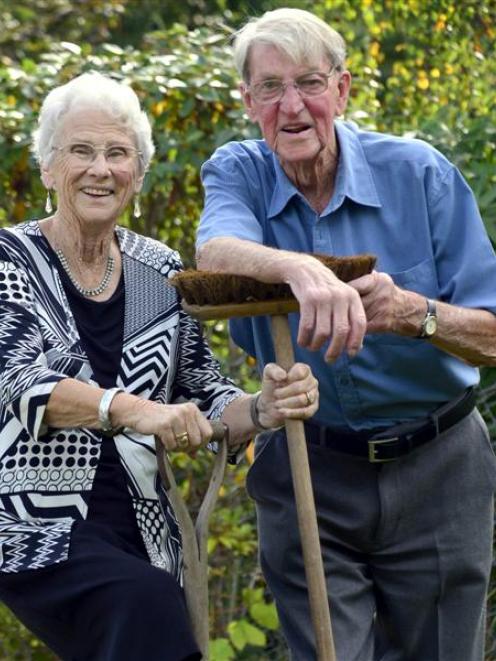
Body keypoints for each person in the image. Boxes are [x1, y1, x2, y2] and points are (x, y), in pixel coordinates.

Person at [196, 8, 496, 661]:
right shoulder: (238, 171)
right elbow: (215, 250)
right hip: (311, 464)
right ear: (249, 102)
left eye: (309, 82)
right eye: (271, 88)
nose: (293, 105)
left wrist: (417, 313)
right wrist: (300, 270)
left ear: (343, 90)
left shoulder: (420, 174)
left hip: (439, 467)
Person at [0, 71, 320, 661]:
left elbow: (204, 389)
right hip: (34, 528)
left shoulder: (156, 268)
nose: (101, 168)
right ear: (48, 168)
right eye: (81, 151)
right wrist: (133, 410)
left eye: (119, 154)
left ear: (138, 175)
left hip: (148, 528)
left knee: (145, 613)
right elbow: (19, 385)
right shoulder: (10, 259)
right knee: (141, 605)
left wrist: (262, 406)